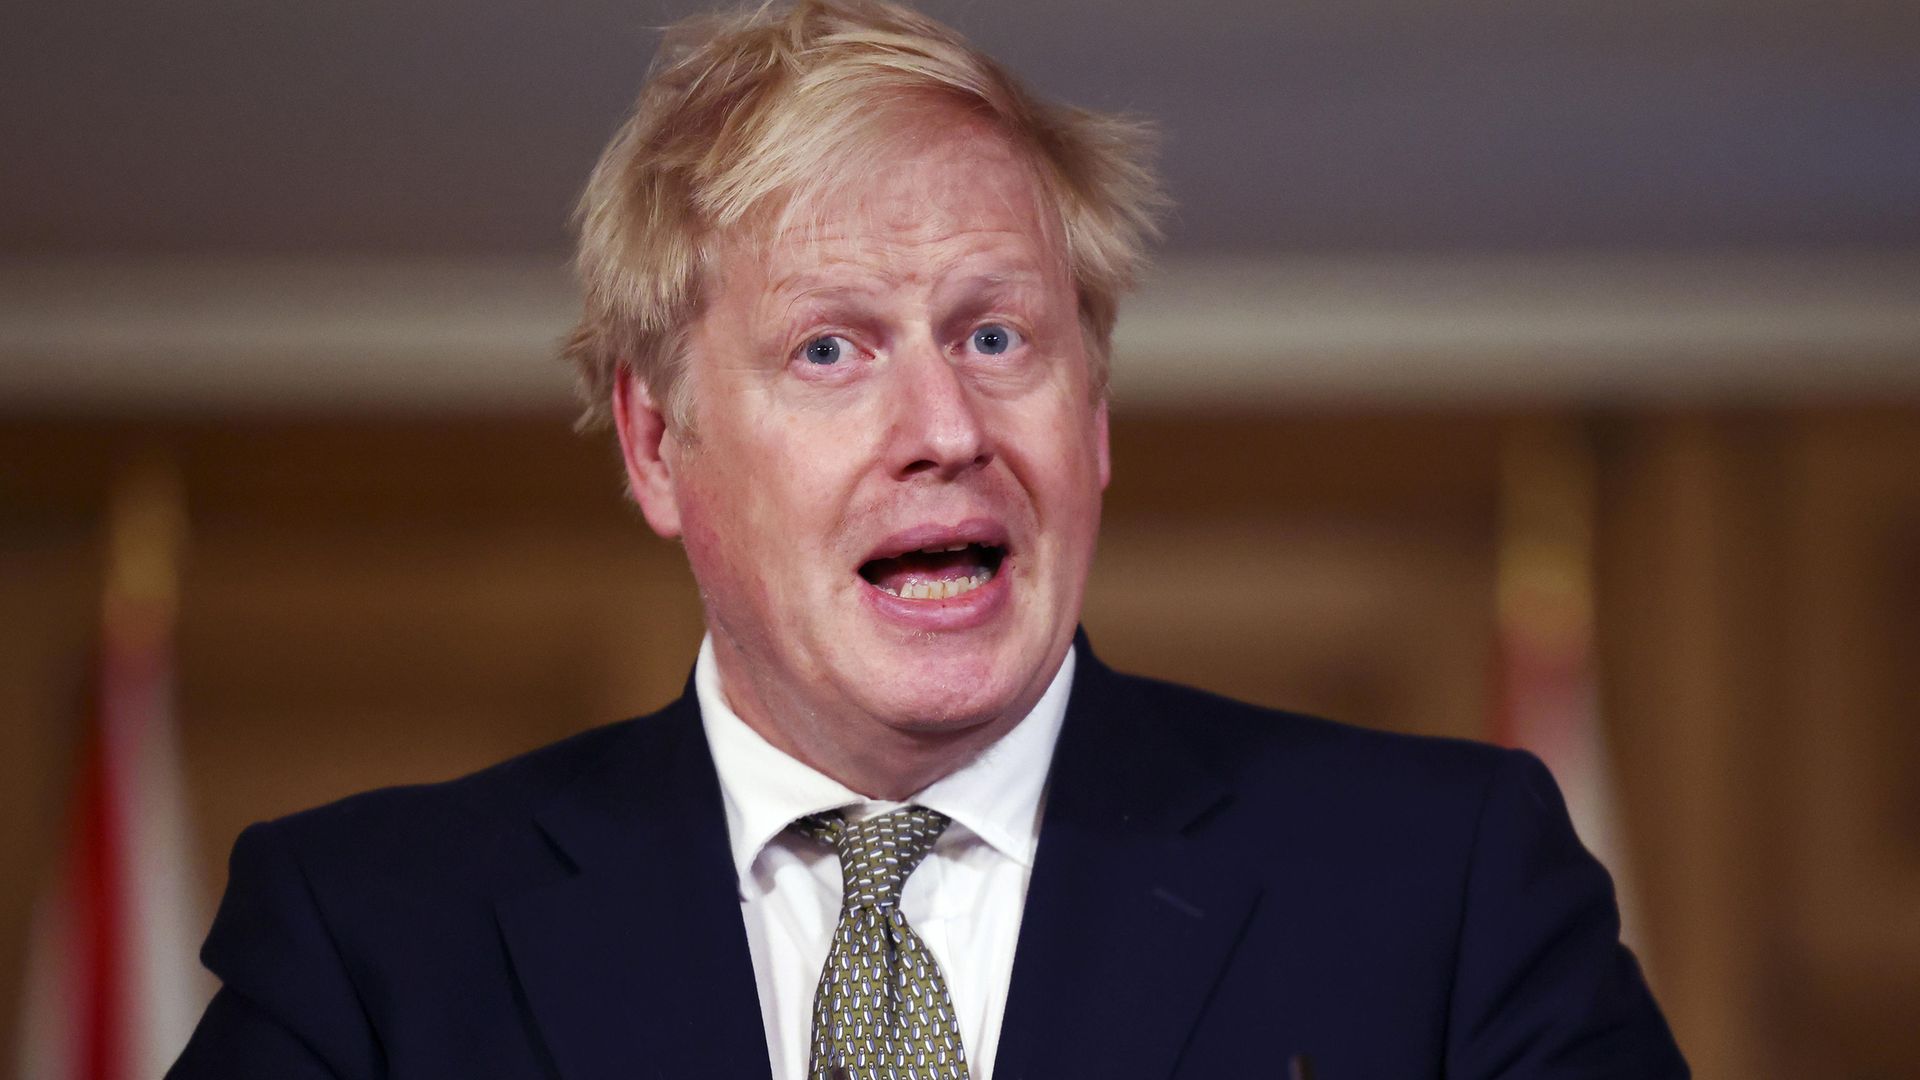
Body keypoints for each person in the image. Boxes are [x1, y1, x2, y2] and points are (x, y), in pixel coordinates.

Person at [169, 2, 1687, 1077]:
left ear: (1092, 418)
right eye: (831, 350)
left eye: (998, 335)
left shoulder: (1444, 886)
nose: (945, 427)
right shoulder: (375, 945)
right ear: (654, 442)